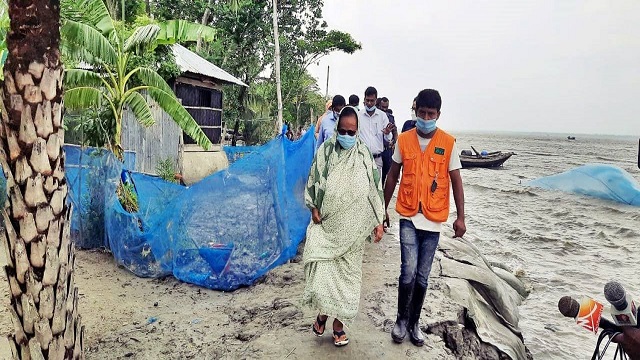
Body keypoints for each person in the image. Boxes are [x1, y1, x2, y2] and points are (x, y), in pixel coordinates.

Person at [383, 89, 466, 347]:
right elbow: (393, 176)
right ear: (416, 111)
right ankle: (400, 319)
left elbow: (456, 181)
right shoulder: (404, 140)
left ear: (438, 114)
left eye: (431, 114)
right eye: (422, 113)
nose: (426, 117)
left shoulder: (448, 143)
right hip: (407, 215)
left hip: (433, 220)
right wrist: (381, 209)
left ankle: (414, 322)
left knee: (422, 275)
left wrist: (461, 217)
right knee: (407, 272)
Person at [302, 106, 385, 347]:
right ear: (336, 129)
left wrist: (378, 222)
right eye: (343, 131)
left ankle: (337, 325)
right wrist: (314, 208)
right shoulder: (325, 152)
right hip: (329, 227)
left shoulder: (364, 154)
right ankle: (322, 316)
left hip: (354, 233)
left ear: (357, 131)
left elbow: (374, 189)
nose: (347, 136)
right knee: (326, 280)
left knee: (347, 281)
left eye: (352, 132)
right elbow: (313, 179)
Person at [358, 87, 396, 174]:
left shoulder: (382, 116)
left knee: (376, 186)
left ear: (376, 101)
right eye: (367, 100)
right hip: (361, 159)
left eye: (372, 101)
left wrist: (387, 133)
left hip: (377, 160)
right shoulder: (358, 115)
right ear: (364, 99)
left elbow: (388, 139)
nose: (369, 103)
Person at [376, 97, 398, 185]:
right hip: (377, 149)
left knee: (385, 173)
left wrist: (394, 142)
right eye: (383, 107)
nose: (385, 109)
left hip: (387, 150)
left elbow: (395, 131)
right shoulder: (376, 117)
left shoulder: (391, 118)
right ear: (379, 106)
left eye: (386, 107)